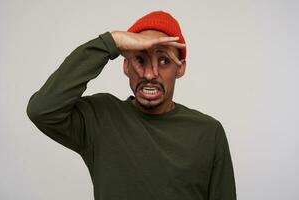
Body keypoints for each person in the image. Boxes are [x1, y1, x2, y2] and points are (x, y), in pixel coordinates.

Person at [26, 10, 237, 200]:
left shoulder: (208, 131)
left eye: (164, 61)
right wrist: (112, 42)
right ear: (126, 66)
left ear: (180, 68)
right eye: (141, 59)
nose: (150, 74)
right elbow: (42, 110)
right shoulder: (101, 118)